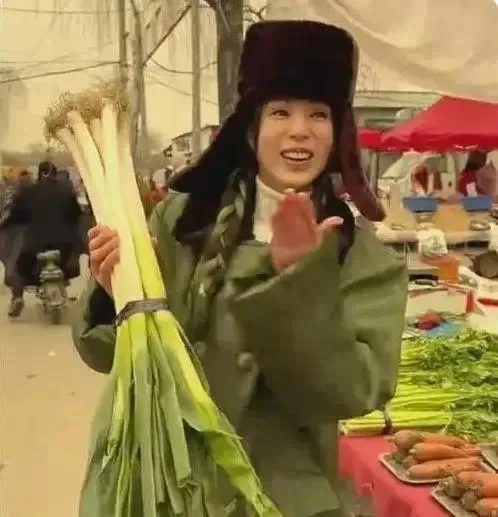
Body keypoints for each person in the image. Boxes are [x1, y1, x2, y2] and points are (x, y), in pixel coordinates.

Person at [73, 21, 408, 517]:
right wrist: (113, 291)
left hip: (287, 500)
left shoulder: (360, 256)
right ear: (251, 129)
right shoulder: (182, 222)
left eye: (318, 114)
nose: (299, 129)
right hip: (171, 488)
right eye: (280, 112)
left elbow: (355, 391)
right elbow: (109, 357)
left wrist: (299, 287)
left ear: (337, 133)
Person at [4, 161, 82, 317]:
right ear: (56, 173)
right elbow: (76, 214)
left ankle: (17, 297)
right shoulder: (66, 191)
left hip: (35, 245)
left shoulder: (27, 191)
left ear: (39, 173)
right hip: (64, 245)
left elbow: (16, 214)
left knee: (18, 267)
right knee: (68, 262)